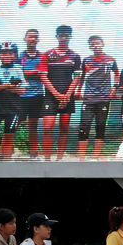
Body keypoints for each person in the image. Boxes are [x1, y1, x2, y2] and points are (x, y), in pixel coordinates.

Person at [39, 25, 82, 160]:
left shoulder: (75, 56)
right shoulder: (47, 55)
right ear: (57, 36)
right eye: (61, 35)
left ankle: (59, 158)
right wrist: (57, 95)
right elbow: (43, 77)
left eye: (67, 35)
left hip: (67, 96)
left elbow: (77, 77)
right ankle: (47, 159)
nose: (64, 38)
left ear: (70, 37)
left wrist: (67, 95)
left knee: (64, 128)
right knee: (48, 128)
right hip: (51, 96)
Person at [76, 35, 118, 158]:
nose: (95, 46)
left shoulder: (110, 59)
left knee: (100, 126)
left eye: (97, 43)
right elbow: (81, 76)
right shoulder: (86, 60)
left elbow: (117, 73)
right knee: (84, 126)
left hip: (104, 99)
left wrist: (115, 87)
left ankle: (96, 156)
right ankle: (82, 157)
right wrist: (79, 90)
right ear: (90, 46)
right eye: (92, 44)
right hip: (88, 99)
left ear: (103, 44)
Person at [19, 28, 44, 158]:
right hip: (20, 95)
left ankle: (33, 152)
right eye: (30, 36)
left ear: (38, 40)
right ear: (25, 39)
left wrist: (28, 73)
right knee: (14, 123)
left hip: (37, 94)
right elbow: (18, 74)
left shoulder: (43, 56)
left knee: (33, 125)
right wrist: (35, 72)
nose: (33, 39)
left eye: (35, 37)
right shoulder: (19, 56)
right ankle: (7, 151)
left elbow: (44, 73)